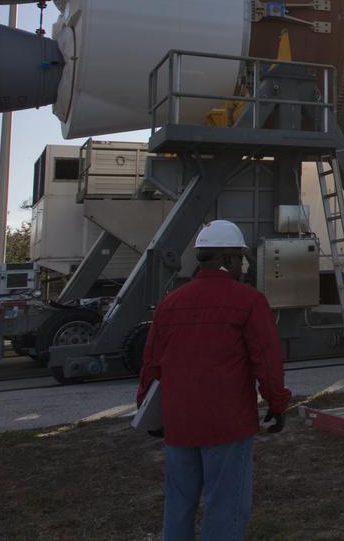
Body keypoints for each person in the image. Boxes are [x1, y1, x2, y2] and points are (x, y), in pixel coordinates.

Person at [137, 220, 291, 541]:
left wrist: (149, 412)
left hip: (179, 426)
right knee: (225, 507)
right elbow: (267, 361)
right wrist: (277, 404)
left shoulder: (169, 305)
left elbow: (151, 365)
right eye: (241, 260)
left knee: (178, 505)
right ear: (229, 258)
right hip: (228, 426)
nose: (243, 266)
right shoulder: (248, 301)